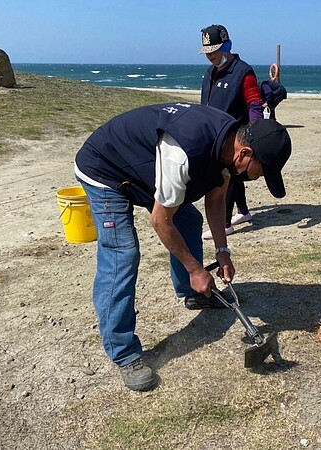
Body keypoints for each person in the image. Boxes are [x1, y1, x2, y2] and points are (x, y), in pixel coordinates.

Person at [74, 102, 291, 391]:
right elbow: (161, 221)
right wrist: (195, 268)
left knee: (188, 218)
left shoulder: (230, 145)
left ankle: (192, 294)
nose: (258, 178)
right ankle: (123, 352)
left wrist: (222, 251)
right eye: (260, 172)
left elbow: (215, 199)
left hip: (143, 167)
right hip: (106, 169)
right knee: (122, 253)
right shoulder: (185, 151)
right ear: (246, 153)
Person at [199, 24, 263, 239]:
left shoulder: (243, 72)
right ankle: (243, 212)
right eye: (207, 52)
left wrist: (256, 133)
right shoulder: (209, 73)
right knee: (234, 177)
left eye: (214, 51)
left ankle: (225, 222)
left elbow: (254, 103)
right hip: (212, 134)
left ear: (226, 46)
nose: (211, 57)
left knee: (225, 177)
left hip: (235, 135)